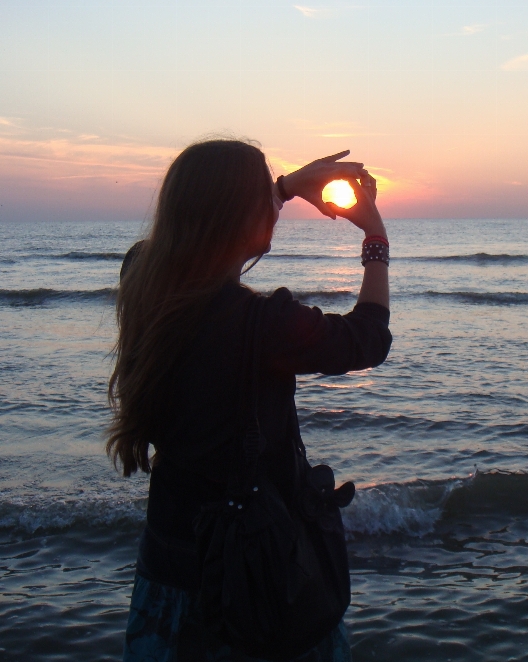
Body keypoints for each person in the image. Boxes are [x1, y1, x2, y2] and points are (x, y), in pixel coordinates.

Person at [107, 139, 392, 661]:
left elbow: (186, 239)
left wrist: (282, 188)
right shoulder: (263, 325)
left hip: (166, 574)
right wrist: (375, 235)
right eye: (260, 193)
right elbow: (369, 338)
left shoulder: (142, 278)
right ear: (241, 217)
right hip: (252, 581)